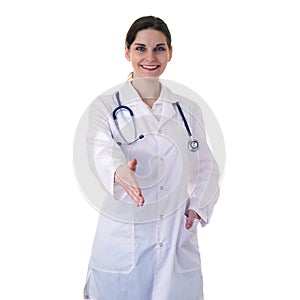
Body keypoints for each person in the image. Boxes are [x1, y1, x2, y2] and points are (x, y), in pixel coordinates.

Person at [83, 16, 220, 300]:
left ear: (170, 52)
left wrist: (198, 207)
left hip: (175, 241)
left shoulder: (187, 109)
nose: (150, 57)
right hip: (123, 243)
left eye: (159, 48)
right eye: (140, 48)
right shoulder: (106, 106)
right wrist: (120, 170)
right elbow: (101, 149)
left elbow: (206, 166)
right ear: (127, 52)